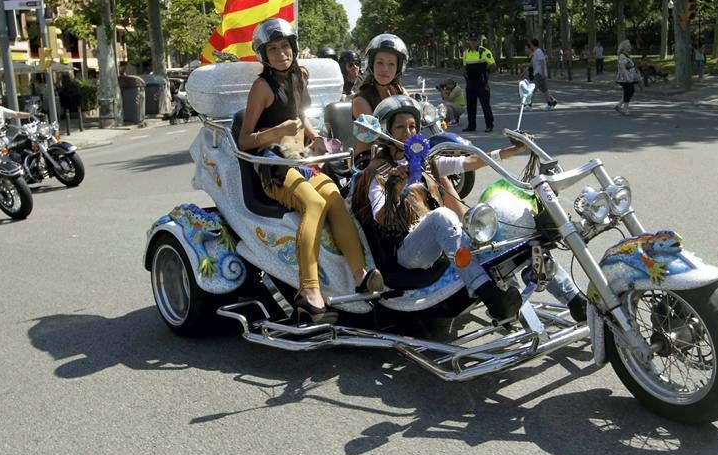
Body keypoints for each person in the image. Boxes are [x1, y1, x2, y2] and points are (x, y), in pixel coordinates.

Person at [351, 96, 587, 322]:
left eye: (413, 126)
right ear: (385, 131)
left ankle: (575, 300)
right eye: (401, 127)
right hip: (407, 252)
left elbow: (468, 162)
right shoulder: (377, 173)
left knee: (511, 232)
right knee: (441, 216)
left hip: (442, 244)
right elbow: (380, 217)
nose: (409, 132)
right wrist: (395, 187)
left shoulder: (426, 160)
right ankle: (490, 294)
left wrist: (512, 150)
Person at [237, 18, 382, 324]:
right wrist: (275, 132)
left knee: (334, 198)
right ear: (263, 54)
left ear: (294, 47)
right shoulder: (261, 87)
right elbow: (245, 140)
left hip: (303, 159)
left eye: (285, 46)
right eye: (273, 49)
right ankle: (309, 292)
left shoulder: (300, 76)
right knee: (313, 204)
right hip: (273, 166)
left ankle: (360, 274)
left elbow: (301, 118)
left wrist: (315, 138)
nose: (281, 54)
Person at [352, 33, 409, 156]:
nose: (385, 69)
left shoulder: (401, 92)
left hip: (400, 154)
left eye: (391, 64)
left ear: (398, 68)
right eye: (380, 62)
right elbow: (375, 136)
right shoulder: (361, 99)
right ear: (371, 64)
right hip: (370, 159)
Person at [461, 32, 496, 132]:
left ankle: (489, 125)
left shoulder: (485, 52)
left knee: (485, 105)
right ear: (468, 42)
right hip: (470, 82)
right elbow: (464, 66)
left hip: (481, 82)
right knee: (470, 105)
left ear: (478, 41)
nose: (473, 42)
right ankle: (471, 126)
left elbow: (493, 65)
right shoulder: (466, 53)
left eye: (475, 40)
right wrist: (464, 73)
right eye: (471, 40)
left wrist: (485, 69)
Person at [523, 39, 558, 109]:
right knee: (545, 90)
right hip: (538, 73)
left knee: (531, 89)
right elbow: (532, 64)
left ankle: (529, 105)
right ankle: (550, 104)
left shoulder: (539, 51)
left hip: (539, 73)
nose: (530, 46)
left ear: (533, 45)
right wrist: (523, 69)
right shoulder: (536, 52)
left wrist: (543, 72)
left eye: (531, 45)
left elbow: (542, 61)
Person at [614, 39, 638, 116]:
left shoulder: (627, 55)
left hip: (629, 77)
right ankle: (625, 109)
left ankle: (619, 106)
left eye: (629, 45)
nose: (629, 47)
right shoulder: (622, 56)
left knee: (629, 91)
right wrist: (627, 77)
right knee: (629, 91)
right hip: (624, 78)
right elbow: (622, 67)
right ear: (623, 47)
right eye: (628, 46)